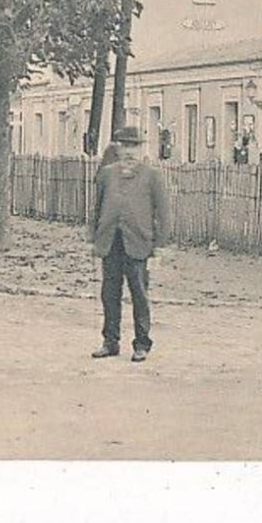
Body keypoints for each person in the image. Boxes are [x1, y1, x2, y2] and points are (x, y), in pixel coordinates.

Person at [89, 125, 171, 362]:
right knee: (109, 293)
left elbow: (163, 213)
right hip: (110, 241)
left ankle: (142, 344)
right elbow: (97, 208)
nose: (129, 152)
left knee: (139, 294)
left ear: (141, 149)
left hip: (138, 243)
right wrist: (93, 237)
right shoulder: (107, 173)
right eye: (124, 146)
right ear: (118, 148)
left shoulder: (152, 176)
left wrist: (160, 246)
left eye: (133, 146)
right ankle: (110, 341)